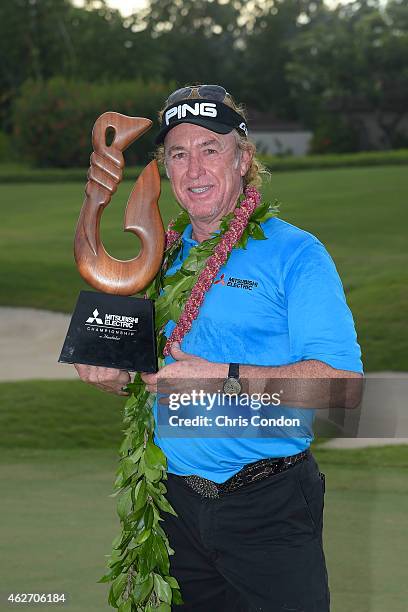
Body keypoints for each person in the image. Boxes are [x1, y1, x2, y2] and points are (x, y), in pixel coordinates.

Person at [75, 84, 363, 611]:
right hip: (172, 507)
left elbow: (342, 390)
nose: (194, 169)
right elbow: (151, 377)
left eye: (211, 148)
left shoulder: (296, 253)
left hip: (268, 505)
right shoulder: (158, 259)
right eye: (178, 154)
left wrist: (226, 377)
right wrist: (115, 375)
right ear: (165, 169)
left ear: (244, 158)